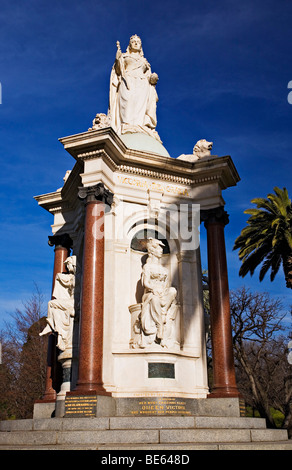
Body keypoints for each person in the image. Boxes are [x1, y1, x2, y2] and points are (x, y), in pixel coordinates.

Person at [109, 35, 160, 141]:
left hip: (142, 83)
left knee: (139, 104)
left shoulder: (144, 61)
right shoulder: (124, 56)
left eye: (138, 42)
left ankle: (138, 126)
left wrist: (153, 79)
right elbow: (118, 71)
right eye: (133, 42)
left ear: (140, 45)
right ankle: (126, 125)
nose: (136, 43)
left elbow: (149, 78)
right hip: (127, 80)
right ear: (130, 44)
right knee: (127, 101)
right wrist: (118, 59)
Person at [139, 238, 177, 348]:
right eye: (158, 248)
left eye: (161, 248)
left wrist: (163, 291)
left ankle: (163, 312)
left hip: (162, 294)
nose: (161, 250)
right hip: (150, 294)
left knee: (172, 291)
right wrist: (154, 289)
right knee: (154, 299)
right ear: (152, 250)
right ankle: (159, 324)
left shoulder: (164, 269)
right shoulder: (147, 267)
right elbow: (146, 283)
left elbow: (166, 286)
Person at [39, 256, 76, 351]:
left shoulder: (78, 277)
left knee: (51, 304)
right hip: (70, 302)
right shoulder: (72, 277)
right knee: (53, 306)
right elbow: (65, 279)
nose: (67, 268)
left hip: (73, 303)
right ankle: (51, 325)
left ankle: (50, 325)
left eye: (68, 265)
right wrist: (59, 276)